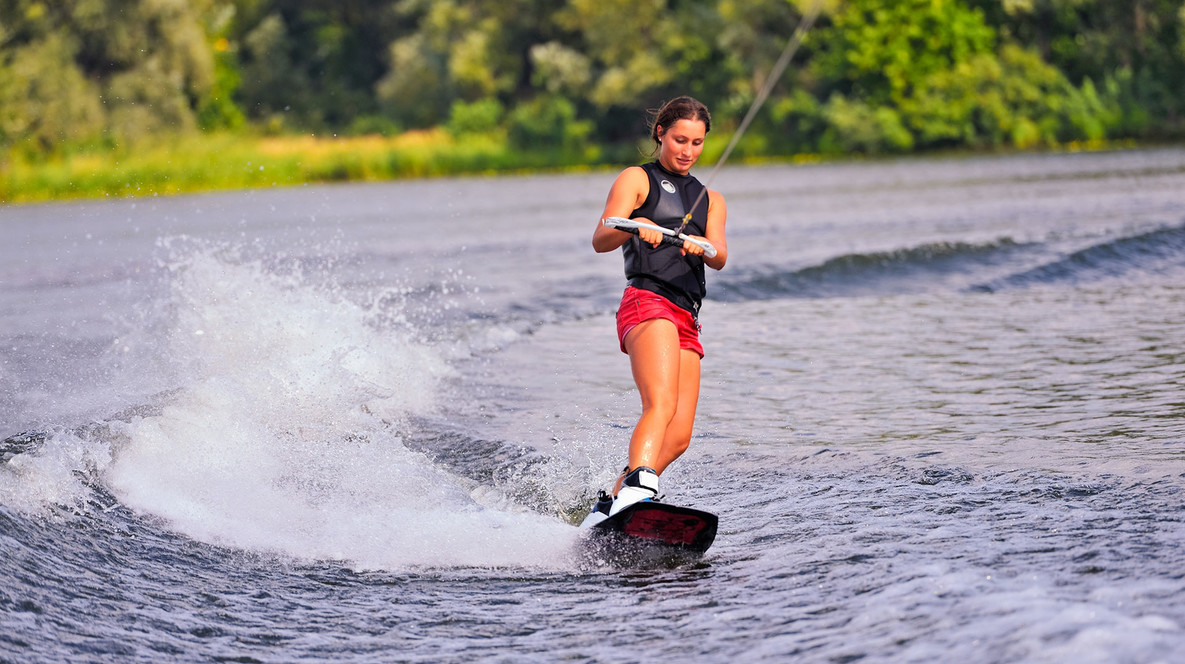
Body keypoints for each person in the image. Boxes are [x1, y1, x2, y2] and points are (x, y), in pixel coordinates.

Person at [585, 96, 728, 523]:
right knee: (660, 405)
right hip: (648, 301)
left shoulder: (710, 198)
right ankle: (640, 488)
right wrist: (641, 226)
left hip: (687, 314)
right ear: (660, 133)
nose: (687, 150)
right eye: (680, 139)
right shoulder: (637, 179)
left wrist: (700, 246)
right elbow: (602, 236)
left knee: (680, 435)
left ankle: (611, 503)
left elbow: (719, 256)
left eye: (697, 143)